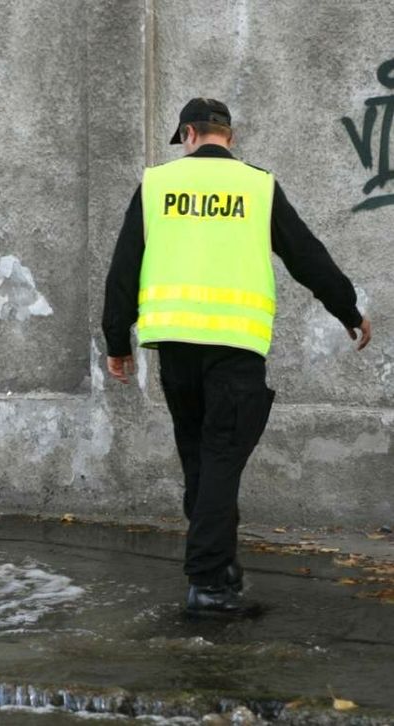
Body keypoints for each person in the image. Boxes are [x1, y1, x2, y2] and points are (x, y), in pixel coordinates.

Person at [102, 98, 372, 615]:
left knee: (200, 461)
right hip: (235, 347)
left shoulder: (157, 185)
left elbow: (123, 267)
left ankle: (220, 566)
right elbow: (306, 255)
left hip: (175, 347)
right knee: (221, 460)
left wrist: (118, 342)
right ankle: (208, 583)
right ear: (230, 134)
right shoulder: (257, 185)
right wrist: (349, 310)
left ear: (187, 134)